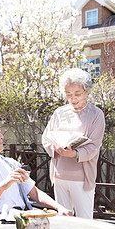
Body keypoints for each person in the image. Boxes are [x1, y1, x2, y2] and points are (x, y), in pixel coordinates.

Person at [0, 117, 73, 217]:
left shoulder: (11, 164)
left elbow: (34, 193)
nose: (1, 136)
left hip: (22, 219)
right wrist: (2, 186)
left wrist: (59, 208)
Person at [42, 68, 105, 219]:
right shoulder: (59, 113)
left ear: (87, 91)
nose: (73, 98)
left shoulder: (96, 114)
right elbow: (46, 138)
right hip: (59, 176)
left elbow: (93, 147)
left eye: (77, 94)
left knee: (85, 222)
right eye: (69, 95)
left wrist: (74, 154)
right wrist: (55, 148)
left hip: (82, 178)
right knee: (64, 222)